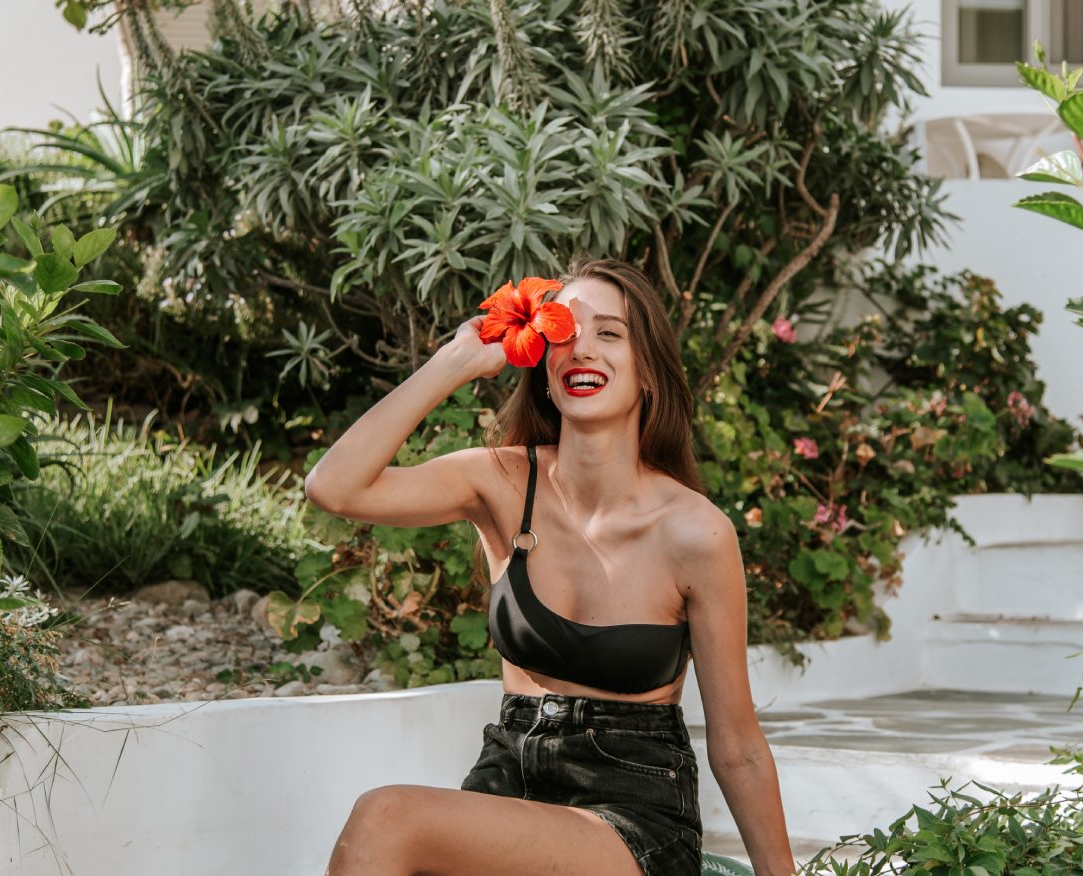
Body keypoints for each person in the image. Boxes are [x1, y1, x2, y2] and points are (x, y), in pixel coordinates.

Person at [305, 256, 795, 876]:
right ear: (540, 360)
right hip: (505, 782)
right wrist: (457, 361)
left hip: (631, 813)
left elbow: (739, 746)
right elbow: (335, 489)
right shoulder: (501, 483)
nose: (581, 350)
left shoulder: (695, 532)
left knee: (387, 816)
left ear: (648, 371)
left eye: (610, 334)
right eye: (563, 334)